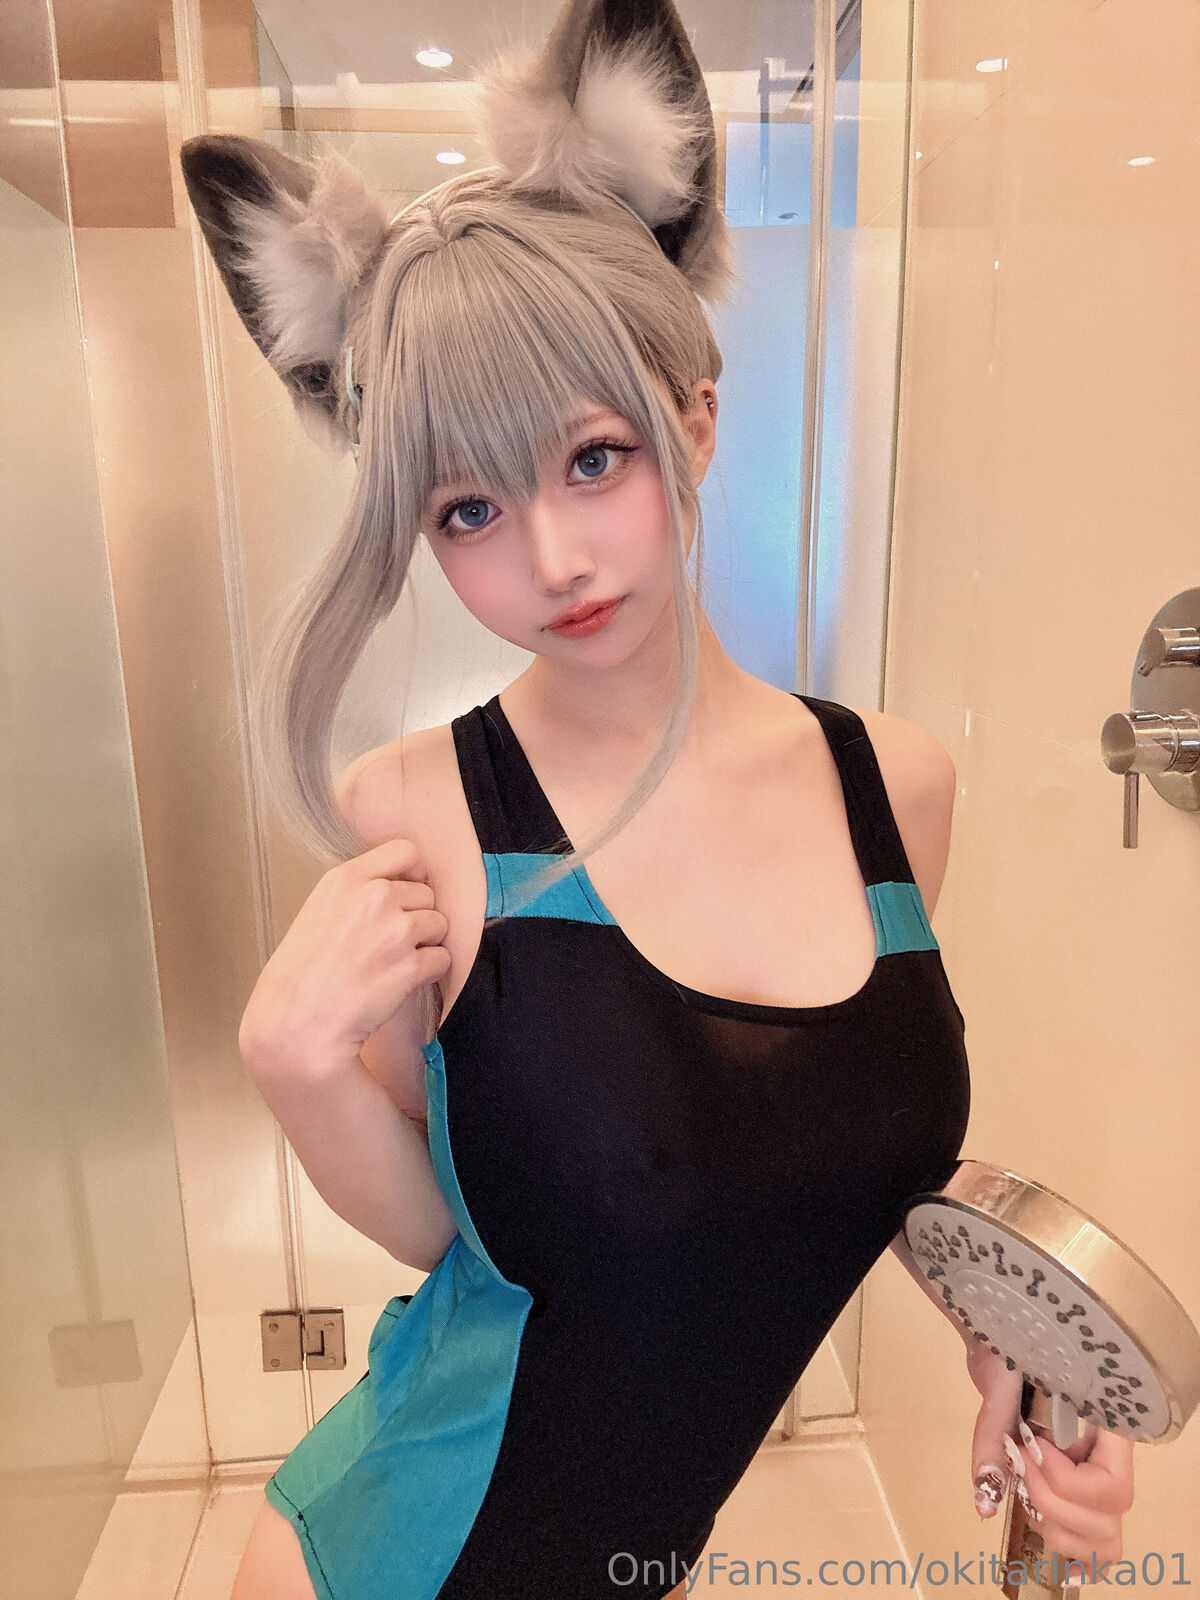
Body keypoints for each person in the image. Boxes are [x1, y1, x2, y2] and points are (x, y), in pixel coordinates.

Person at [180, 1, 1135, 1595]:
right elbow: (474, 1239)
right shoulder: (420, 808)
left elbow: (810, 1141)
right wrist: (296, 1070)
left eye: (593, 459)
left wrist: (1016, 1331)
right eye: (468, 507)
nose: (551, 558)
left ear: (694, 418)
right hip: (410, 1548)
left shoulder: (896, 787)